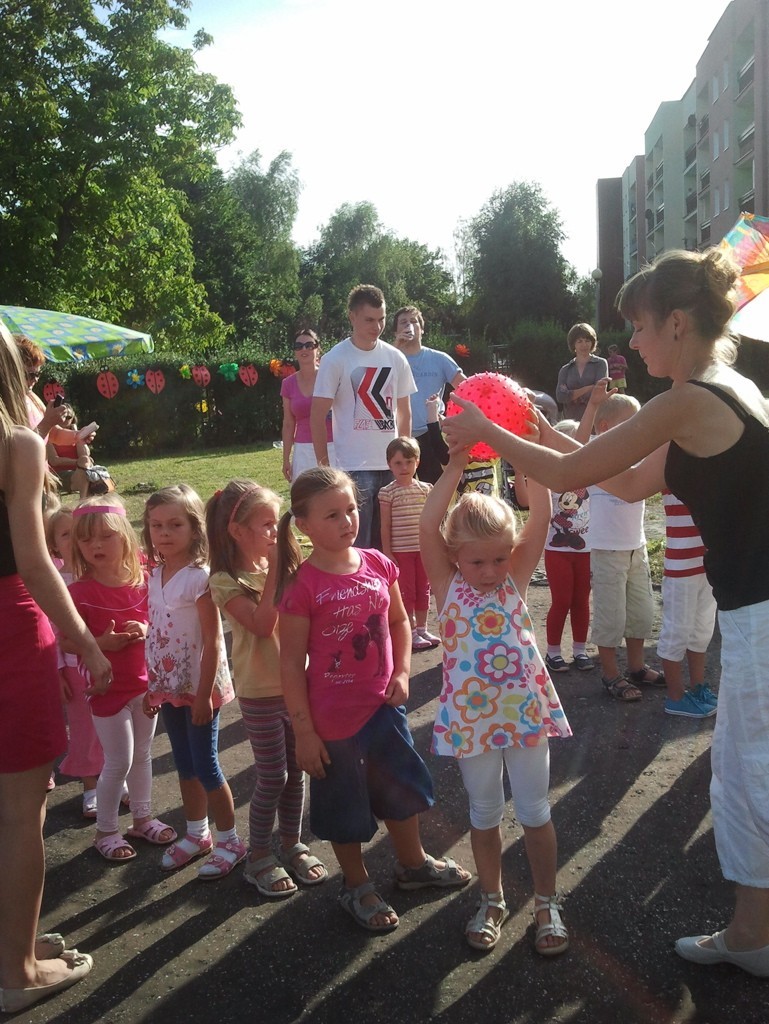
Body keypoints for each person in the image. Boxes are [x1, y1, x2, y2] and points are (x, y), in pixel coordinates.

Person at [441, 247, 769, 976]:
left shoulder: (685, 399)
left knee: (754, 774)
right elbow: (618, 482)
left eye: (639, 328)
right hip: (753, 610)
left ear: (677, 324)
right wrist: (529, 417)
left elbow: (563, 475)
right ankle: (751, 935)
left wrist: (485, 431)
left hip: (760, 614)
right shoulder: (722, 387)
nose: (630, 345)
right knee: (744, 775)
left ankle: (754, 938)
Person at [276, 467, 470, 933]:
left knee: (401, 790)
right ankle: (357, 884)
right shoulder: (302, 587)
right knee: (346, 807)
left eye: (350, 511)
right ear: (302, 525)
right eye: (331, 515)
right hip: (333, 724)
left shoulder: (379, 564)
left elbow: (401, 623)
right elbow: (290, 665)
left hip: (385, 709)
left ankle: (413, 864)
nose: (347, 522)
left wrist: (403, 670)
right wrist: (303, 731)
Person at [419, 447, 571, 954]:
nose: (489, 570)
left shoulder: (514, 579)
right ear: (454, 555)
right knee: (484, 812)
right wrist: (455, 466)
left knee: (534, 809)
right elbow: (427, 523)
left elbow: (543, 513)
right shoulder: (446, 584)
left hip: (524, 714)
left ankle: (547, 902)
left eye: (500, 557)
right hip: (471, 721)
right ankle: (492, 898)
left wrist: (522, 452)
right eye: (477, 560)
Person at [0, 328, 110, 1013]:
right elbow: (36, 563)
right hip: (8, 628)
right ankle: (16, 974)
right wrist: (87, 644)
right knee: (19, 813)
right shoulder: (17, 446)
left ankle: (14, 945)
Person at [207, 480, 327, 897]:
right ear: (238, 532)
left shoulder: (284, 568)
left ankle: (291, 842)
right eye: (267, 526)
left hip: (299, 686)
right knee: (272, 774)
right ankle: (258, 854)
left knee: (298, 772)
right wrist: (278, 568)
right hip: (260, 691)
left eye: (278, 525)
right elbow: (261, 624)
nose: (277, 534)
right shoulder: (224, 579)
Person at [142, 485, 244, 879]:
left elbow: (213, 639)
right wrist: (152, 684)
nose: (164, 533)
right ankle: (196, 833)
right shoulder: (155, 574)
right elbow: (156, 632)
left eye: (174, 524)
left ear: (194, 528)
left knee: (206, 765)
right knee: (184, 764)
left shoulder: (199, 578)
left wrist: (204, 696)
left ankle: (231, 840)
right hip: (169, 685)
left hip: (200, 688)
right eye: (156, 525)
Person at [68, 496, 176, 862]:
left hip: (144, 685)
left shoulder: (145, 580)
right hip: (106, 688)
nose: (95, 545)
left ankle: (142, 818)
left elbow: (159, 620)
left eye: (105, 537)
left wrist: (145, 627)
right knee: (119, 761)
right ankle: (106, 830)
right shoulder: (78, 592)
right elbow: (64, 639)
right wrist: (101, 643)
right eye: (86, 539)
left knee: (144, 754)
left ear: (125, 538)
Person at [310, 284, 416, 549]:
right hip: (355, 466)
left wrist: (407, 457)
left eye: (381, 320)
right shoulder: (336, 359)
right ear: (352, 317)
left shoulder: (396, 357)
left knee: (395, 543)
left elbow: (404, 410)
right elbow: (317, 416)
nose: (377, 327)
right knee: (361, 543)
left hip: (392, 465)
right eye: (369, 320)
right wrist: (325, 467)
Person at [580, 393, 664, 700]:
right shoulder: (594, 457)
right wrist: (591, 405)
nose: (637, 430)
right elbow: (575, 445)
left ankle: (637, 667)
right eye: (630, 423)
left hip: (636, 549)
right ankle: (611, 674)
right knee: (610, 617)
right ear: (604, 427)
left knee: (641, 613)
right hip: (606, 552)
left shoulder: (638, 457)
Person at [45, 507, 105, 816]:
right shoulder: (51, 579)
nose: (73, 540)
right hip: (71, 666)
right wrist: (58, 673)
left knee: (109, 723)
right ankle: (90, 786)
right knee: (83, 726)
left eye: (78, 533)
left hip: (104, 664)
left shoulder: (97, 572)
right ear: (53, 544)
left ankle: (111, 779)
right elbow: (51, 632)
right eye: (65, 534)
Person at [540, 419, 594, 674]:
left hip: (585, 549)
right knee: (561, 600)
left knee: (581, 601)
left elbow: (583, 444)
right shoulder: (550, 475)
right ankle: (552, 652)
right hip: (556, 549)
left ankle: (580, 650)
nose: (572, 448)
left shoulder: (590, 475)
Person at [378, 436, 440, 652]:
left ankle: (422, 628)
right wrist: (388, 552)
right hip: (400, 552)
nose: (404, 467)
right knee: (407, 591)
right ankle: (410, 631)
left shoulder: (426, 489)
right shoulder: (387, 492)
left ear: (417, 462)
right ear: (389, 465)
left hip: (423, 550)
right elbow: (385, 526)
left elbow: (433, 521)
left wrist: (436, 546)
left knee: (424, 589)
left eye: (408, 462)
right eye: (398, 463)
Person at [391, 306, 465, 484]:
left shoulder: (439, 359)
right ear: (396, 331)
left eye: (414, 321)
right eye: (403, 322)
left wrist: (454, 419)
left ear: (422, 329)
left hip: (431, 434)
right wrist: (395, 350)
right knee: (401, 493)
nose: (409, 325)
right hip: (398, 435)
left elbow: (466, 389)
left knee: (435, 489)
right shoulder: (389, 358)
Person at [281, 329, 335, 482]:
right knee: (305, 498)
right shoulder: (287, 384)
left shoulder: (330, 377)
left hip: (332, 446)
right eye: (299, 346)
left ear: (318, 349)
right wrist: (286, 459)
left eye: (309, 345)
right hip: (303, 450)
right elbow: (288, 423)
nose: (304, 349)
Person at [13, 334, 69, 439]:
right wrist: (47, 423)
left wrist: (79, 435)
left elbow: (54, 434)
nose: (36, 379)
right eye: (30, 375)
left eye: (37, 374)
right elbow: (20, 450)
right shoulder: (6, 405)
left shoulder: (31, 397)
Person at [555, 323, 609, 421]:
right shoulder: (565, 369)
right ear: (573, 344)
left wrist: (571, 395)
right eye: (580, 341)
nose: (584, 345)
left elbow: (598, 392)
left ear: (592, 343)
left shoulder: (601, 364)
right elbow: (561, 396)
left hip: (594, 420)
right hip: (571, 422)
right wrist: (588, 388)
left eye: (587, 341)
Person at [45, 407, 95, 499]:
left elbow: (85, 455)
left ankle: (85, 501)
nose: (64, 419)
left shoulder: (74, 435)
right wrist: (78, 462)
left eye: (68, 417)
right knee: (86, 474)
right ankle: (83, 501)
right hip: (59, 474)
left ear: (72, 419)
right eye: (62, 415)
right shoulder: (50, 435)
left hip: (79, 471)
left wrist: (79, 438)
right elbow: (54, 461)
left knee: (86, 465)